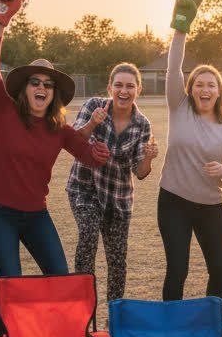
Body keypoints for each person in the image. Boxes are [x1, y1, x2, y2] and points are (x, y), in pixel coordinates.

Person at [0, 0, 109, 333]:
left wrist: (98, 154)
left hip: (35, 215)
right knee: (10, 284)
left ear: (54, 95)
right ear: (24, 89)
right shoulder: (4, 110)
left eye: (48, 85)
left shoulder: (58, 128)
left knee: (59, 278)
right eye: (35, 82)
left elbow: (87, 155)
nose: (41, 87)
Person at [158, 0, 222, 303]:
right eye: (199, 84)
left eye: (211, 85)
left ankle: (210, 319)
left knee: (220, 271)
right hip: (174, 202)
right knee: (177, 270)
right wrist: (181, 29)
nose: (205, 89)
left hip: (210, 206)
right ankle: (171, 323)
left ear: (219, 91)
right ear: (191, 89)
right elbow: (173, 67)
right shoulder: (179, 107)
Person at [66, 63, 158, 306]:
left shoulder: (142, 124)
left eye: (130, 86)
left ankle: (116, 315)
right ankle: (84, 309)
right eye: (118, 85)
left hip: (118, 198)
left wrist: (148, 158)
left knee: (117, 261)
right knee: (88, 235)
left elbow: (140, 172)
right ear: (110, 87)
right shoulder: (94, 106)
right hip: (85, 188)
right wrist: (92, 123)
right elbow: (74, 141)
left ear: (138, 89)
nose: (123, 91)